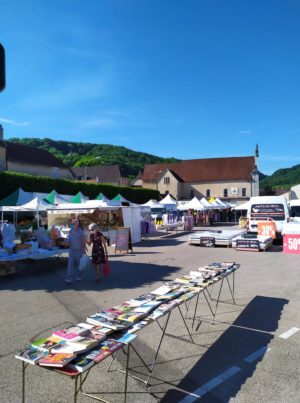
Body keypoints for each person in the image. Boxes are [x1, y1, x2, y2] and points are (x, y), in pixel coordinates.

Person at [64, 218, 86, 285]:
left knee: (79, 264)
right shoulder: (70, 231)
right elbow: (69, 239)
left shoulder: (81, 231)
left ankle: (80, 275)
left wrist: (84, 249)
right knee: (70, 264)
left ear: (77, 224)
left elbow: (83, 241)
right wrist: (66, 241)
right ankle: (69, 278)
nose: (72, 224)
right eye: (72, 223)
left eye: (74, 223)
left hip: (79, 251)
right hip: (72, 250)